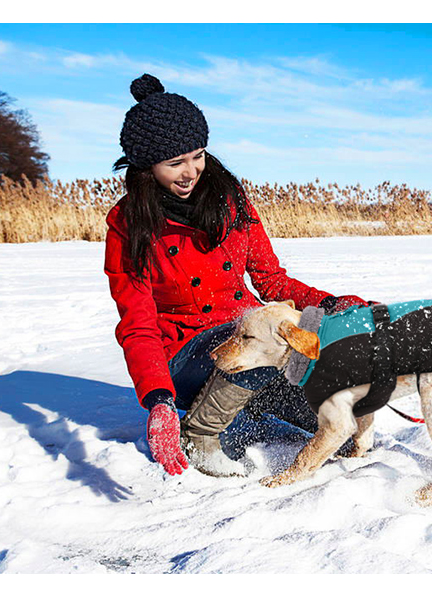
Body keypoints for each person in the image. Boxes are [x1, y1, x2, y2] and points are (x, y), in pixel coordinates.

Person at [104, 74, 371, 477]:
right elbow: (137, 323)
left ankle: (252, 403)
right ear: (146, 167)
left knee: (338, 430)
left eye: (197, 155)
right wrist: (158, 400)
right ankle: (200, 431)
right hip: (186, 349)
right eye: (174, 163)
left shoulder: (231, 201)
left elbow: (272, 282)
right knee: (259, 348)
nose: (190, 171)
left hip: (243, 330)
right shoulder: (130, 223)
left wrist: (331, 304)